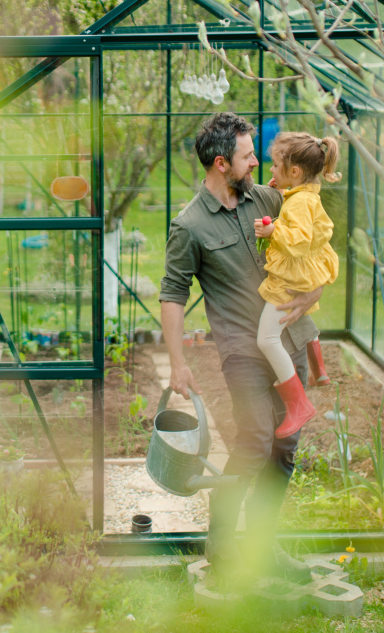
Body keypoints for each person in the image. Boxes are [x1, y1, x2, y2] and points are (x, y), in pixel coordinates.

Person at [158, 112, 325, 585]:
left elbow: (310, 240)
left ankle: (263, 547)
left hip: (289, 341)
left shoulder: (268, 198)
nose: (256, 163)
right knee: (253, 440)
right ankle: (223, 544)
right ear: (220, 163)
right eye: (247, 156)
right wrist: (177, 363)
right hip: (242, 352)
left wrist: (314, 293)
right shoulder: (189, 226)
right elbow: (172, 294)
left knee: (284, 448)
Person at [252, 132, 342, 439]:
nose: (271, 173)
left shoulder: (299, 203)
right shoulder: (305, 192)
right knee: (298, 316)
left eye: (276, 167)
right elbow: (303, 199)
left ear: (294, 172)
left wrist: (272, 232)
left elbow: (300, 240)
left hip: (290, 275)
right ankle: (320, 371)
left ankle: (299, 404)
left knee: (267, 339)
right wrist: (285, 188)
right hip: (303, 272)